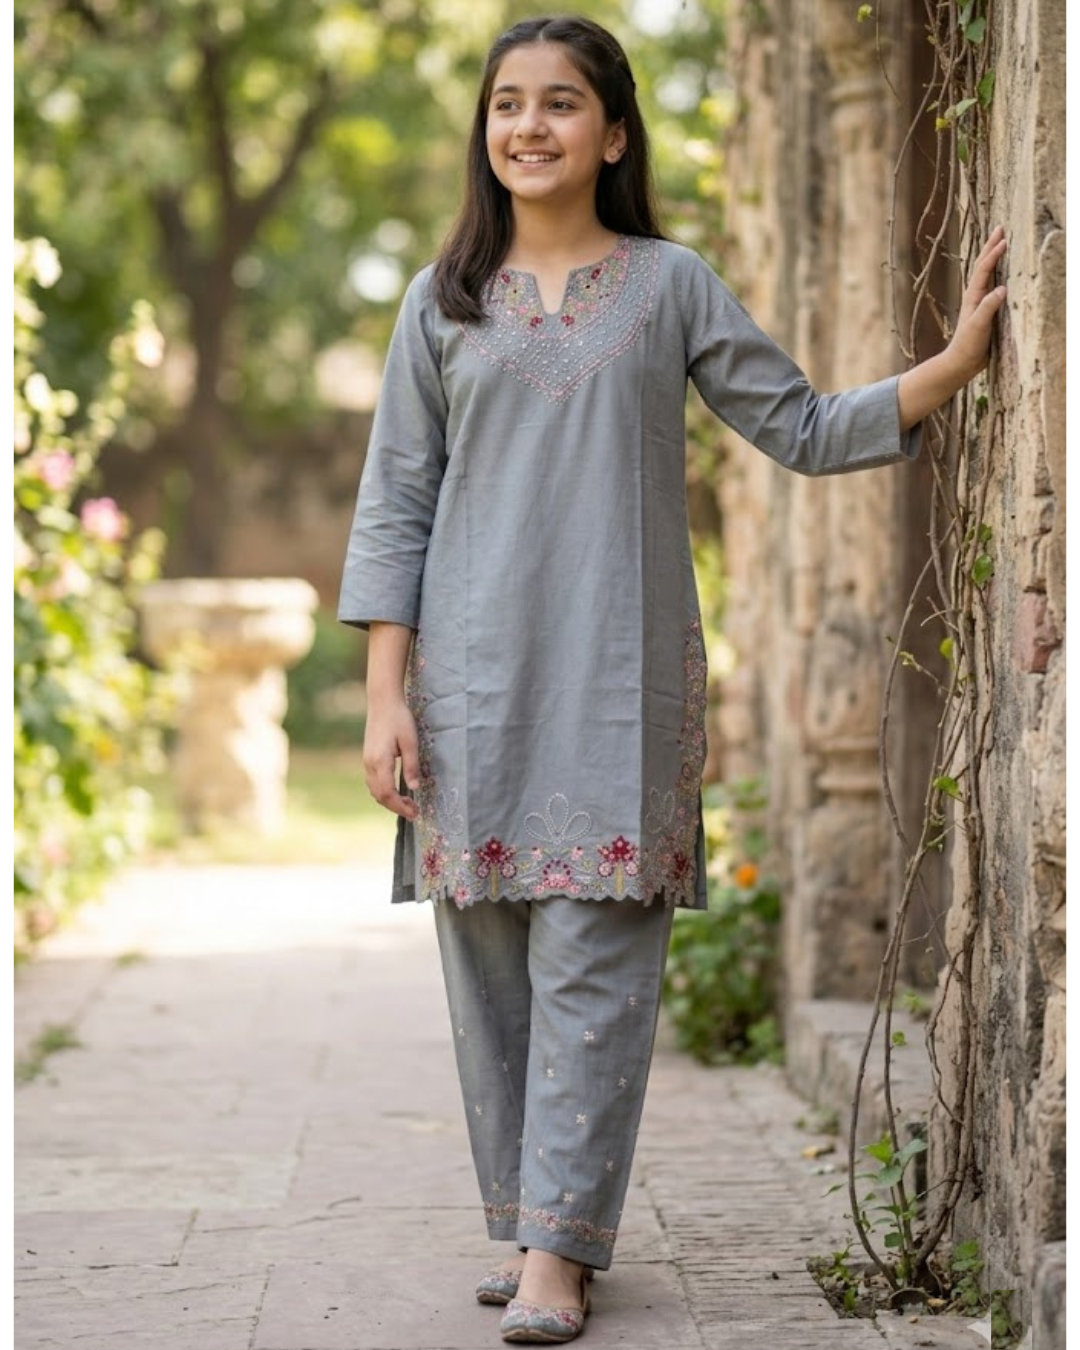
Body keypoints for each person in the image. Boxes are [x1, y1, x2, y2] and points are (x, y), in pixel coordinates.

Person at [338, 14, 1006, 1345]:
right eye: (507, 103)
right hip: (470, 692)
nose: (529, 126)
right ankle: (536, 1223)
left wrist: (953, 366)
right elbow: (396, 502)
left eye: (560, 102)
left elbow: (800, 426)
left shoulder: (670, 285)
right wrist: (383, 695)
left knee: (597, 961)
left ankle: (558, 1256)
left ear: (614, 134)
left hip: (618, 684)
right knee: (492, 980)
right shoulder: (440, 301)